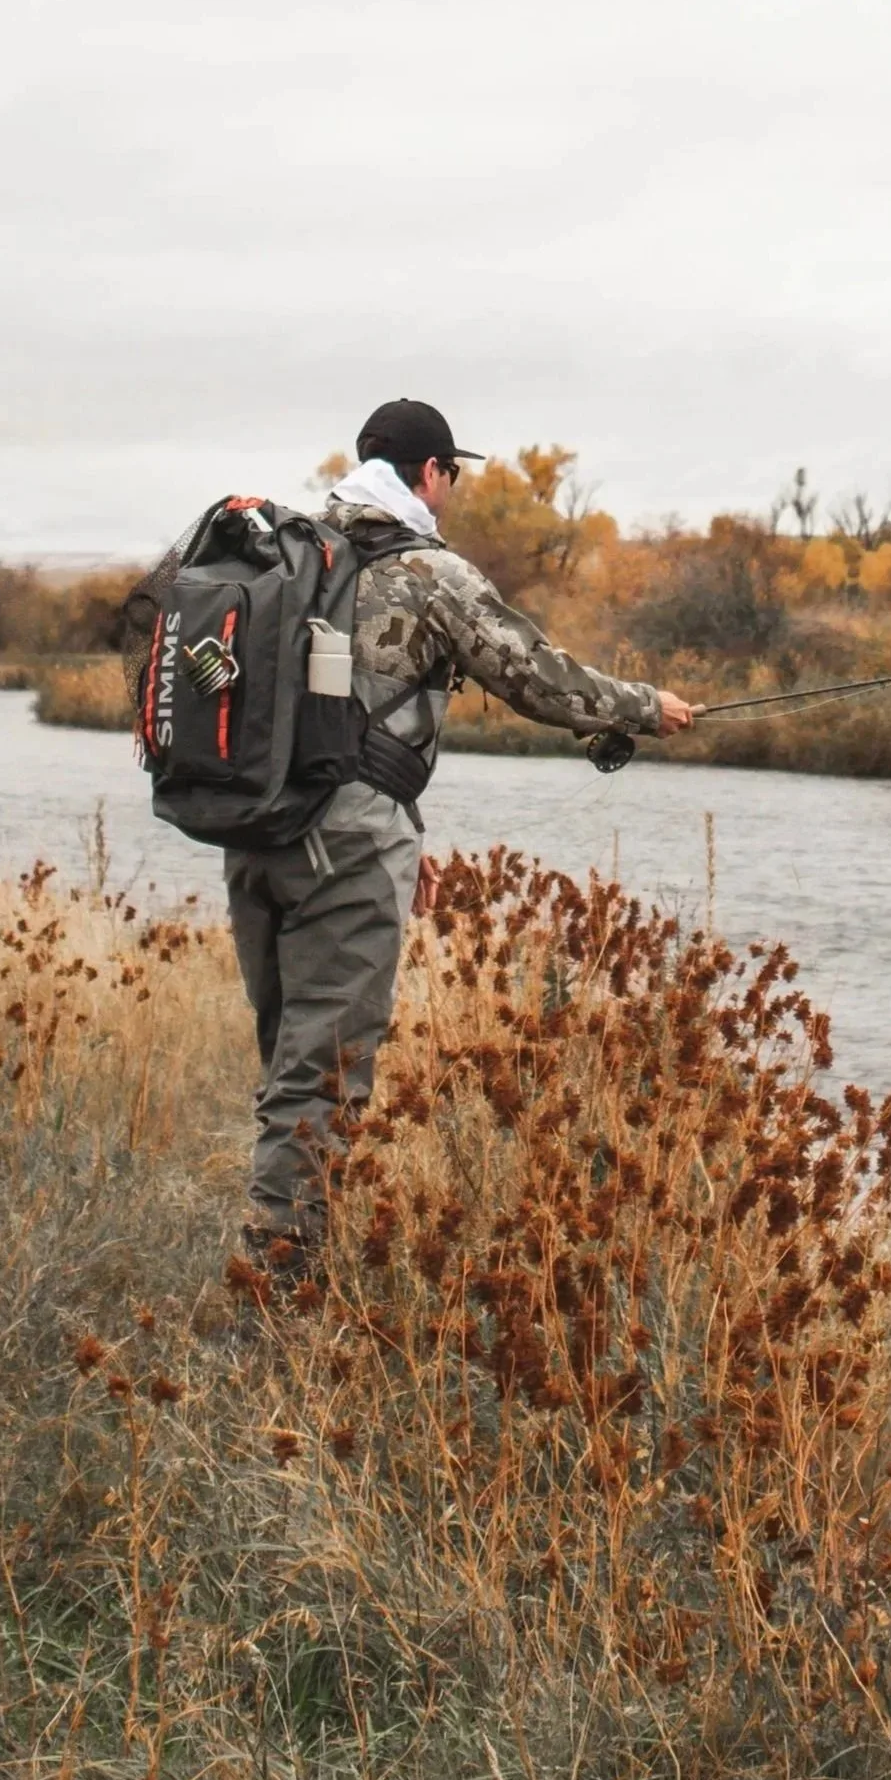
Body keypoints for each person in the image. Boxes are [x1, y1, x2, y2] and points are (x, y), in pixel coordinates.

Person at [227, 397, 694, 1259]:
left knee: (287, 1058)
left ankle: (280, 1250)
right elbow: (535, 675)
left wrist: (400, 822)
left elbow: (330, 716)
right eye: (452, 475)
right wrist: (643, 707)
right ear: (429, 472)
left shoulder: (287, 554)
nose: (450, 493)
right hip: (346, 843)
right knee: (321, 1072)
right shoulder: (426, 570)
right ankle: (276, 1288)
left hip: (256, 834)